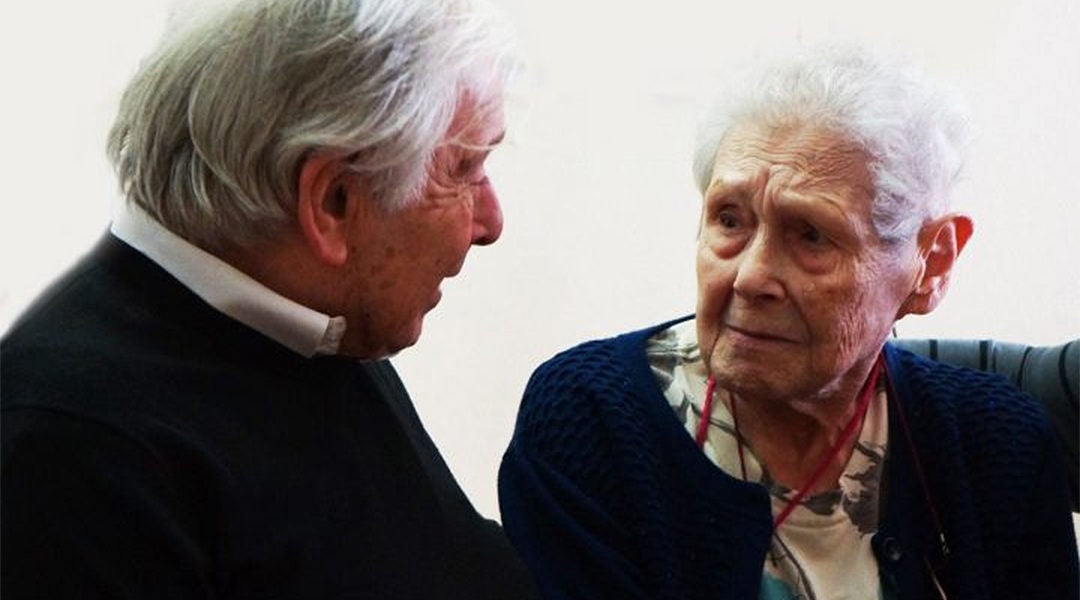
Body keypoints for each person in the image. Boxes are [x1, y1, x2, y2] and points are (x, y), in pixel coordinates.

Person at [1, 0, 538, 598]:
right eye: (463, 171)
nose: (490, 221)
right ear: (332, 203)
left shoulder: (309, 321)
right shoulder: (75, 452)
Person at [498, 49, 1079, 599]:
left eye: (810, 234)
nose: (751, 277)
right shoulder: (593, 418)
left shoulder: (999, 447)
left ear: (932, 261)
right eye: (729, 220)